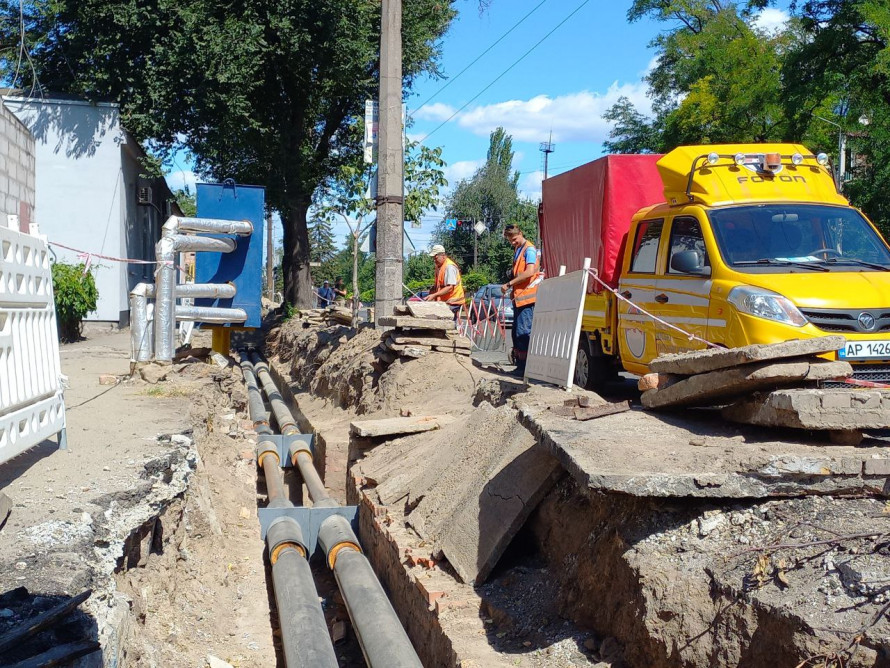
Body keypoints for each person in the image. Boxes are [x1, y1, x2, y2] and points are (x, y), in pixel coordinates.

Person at [501, 225, 543, 375]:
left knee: (523, 332)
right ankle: (520, 365)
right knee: (516, 333)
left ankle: (525, 368)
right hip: (520, 298)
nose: (512, 242)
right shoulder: (518, 250)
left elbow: (529, 271)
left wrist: (509, 284)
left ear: (520, 233)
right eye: (509, 240)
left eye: (514, 239)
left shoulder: (529, 249)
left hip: (528, 298)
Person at [423, 244, 465, 318]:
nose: (434, 260)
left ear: (443, 255)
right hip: (445, 302)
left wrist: (434, 295)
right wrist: (431, 293)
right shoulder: (439, 267)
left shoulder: (449, 267)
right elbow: (438, 285)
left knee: (446, 324)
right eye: (433, 258)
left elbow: (449, 288)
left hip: (453, 302)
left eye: (436, 258)